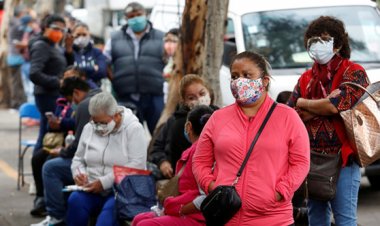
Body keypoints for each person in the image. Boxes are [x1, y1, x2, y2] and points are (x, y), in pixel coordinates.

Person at [192, 51, 310, 225]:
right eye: (234, 76)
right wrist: (211, 185)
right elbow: (200, 161)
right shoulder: (218, 118)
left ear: (264, 81)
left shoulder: (288, 117)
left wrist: (280, 191)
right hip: (227, 218)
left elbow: (301, 162)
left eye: (247, 75)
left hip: (274, 219)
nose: (240, 81)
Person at [287, 16, 369, 226]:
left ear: (338, 44)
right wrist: (325, 105)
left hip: (343, 159)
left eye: (323, 40)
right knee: (316, 219)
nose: (316, 46)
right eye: (312, 40)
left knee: (345, 220)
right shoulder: (306, 77)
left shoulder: (354, 72)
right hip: (311, 159)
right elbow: (292, 114)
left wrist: (305, 102)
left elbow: (336, 105)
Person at [66, 92, 148, 226]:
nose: (98, 127)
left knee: (105, 222)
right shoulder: (89, 128)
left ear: (116, 115)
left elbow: (136, 166)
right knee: (75, 201)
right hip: (92, 187)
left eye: (103, 123)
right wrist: (78, 174)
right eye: (95, 122)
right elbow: (78, 159)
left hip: (122, 192)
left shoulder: (133, 129)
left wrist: (104, 182)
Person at [31, 76, 101, 226]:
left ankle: (56, 216)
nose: (72, 105)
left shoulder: (85, 105)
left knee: (50, 167)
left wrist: (62, 152)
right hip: (100, 160)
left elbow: (79, 146)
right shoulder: (101, 97)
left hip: (92, 163)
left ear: (76, 92)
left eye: (71, 100)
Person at [132, 105, 215, 226]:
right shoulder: (196, 150)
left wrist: (173, 206)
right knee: (139, 219)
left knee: (143, 224)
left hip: (198, 215)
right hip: (186, 208)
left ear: (188, 127)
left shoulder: (202, 152)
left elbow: (203, 196)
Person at [103, 2, 165, 134]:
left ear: (145, 15)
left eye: (138, 15)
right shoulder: (114, 38)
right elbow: (105, 62)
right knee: (129, 134)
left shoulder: (161, 37)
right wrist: (115, 80)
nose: (136, 18)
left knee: (159, 133)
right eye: (131, 16)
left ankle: (157, 156)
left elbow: (170, 61)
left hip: (154, 94)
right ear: (126, 18)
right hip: (126, 96)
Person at [149, 74, 215, 178]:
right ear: (184, 101)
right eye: (191, 98)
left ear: (209, 92)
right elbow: (156, 148)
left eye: (202, 93)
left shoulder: (219, 116)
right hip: (180, 178)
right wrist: (163, 162)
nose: (199, 100)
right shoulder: (174, 122)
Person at [29, 14, 71, 154]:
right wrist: (57, 82)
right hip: (47, 96)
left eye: (62, 30)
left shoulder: (55, 46)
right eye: (55, 28)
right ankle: (39, 167)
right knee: (47, 135)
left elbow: (64, 68)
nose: (59, 32)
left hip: (56, 94)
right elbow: (34, 73)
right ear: (46, 28)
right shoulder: (41, 45)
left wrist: (69, 51)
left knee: (52, 135)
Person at [30, 93, 75, 217]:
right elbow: (49, 126)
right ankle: (40, 197)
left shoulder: (80, 103)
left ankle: (54, 212)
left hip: (70, 143)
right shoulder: (61, 101)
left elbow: (76, 123)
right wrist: (52, 123)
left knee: (50, 165)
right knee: (37, 158)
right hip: (57, 141)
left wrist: (61, 123)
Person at [4, 5, 27, 109]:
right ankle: (16, 104)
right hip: (17, 57)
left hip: (11, 57)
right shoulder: (18, 24)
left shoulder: (11, 23)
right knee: (17, 83)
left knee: (15, 82)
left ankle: (16, 103)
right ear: (20, 14)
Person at [71, 23, 107, 88]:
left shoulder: (97, 52)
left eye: (84, 35)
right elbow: (68, 74)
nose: (81, 37)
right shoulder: (69, 53)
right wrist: (93, 68)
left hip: (94, 90)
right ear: (73, 35)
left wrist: (77, 69)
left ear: (89, 35)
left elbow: (102, 72)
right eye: (78, 35)